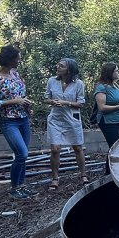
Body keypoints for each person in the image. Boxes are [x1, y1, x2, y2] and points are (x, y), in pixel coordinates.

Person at [0, 45, 36, 200]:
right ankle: (15, 187)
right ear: (9, 60)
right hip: (9, 121)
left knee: (23, 155)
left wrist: (26, 106)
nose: (19, 61)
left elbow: (21, 94)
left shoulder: (15, 74)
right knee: (22, 153)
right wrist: (15, 101)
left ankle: (22, 185)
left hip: (23, 119)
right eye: (17, 58)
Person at [45, 58, 87, 189]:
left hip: (71, 119)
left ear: (69, 69)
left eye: (61, 66)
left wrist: (66, 103)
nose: (58, 67)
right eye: (58, 64)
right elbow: (46, 98)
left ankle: (83, 175)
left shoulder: (79, 84)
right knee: (55, 149)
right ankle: (55, 178)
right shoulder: (52, 81)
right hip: (56, 119)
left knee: (77, 148)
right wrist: (52, 102)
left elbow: (81, 103)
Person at [94, 62, 119, 148]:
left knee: (118, 148)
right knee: (114, 148)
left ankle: (111, 162)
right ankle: (110, 162)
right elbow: (101, 107)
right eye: (116, 71)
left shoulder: (115, 85)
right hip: (108, 122)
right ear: (110, 73)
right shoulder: (101, 87)